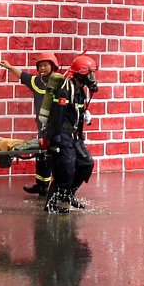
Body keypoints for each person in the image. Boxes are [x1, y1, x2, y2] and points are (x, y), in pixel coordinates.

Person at [0, 50, 65, 198]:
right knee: (41, 155)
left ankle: (56, 189)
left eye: (46, 65)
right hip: (42, 127)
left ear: (53, 66)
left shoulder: (61, 84)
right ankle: (41, 186)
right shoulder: (37, 82)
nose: (43, 68)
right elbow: (23, 75)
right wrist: (9, 67)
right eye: (40, 66)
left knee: (54, 157)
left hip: (57, 128)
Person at [43, 54, 97, 213]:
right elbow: (57, 116)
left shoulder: (80, 91)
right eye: (89, 73)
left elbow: (76, 112)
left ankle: (67, 194)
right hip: (62, 134)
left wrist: (84, 115)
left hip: (74, 135)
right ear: (80, 73)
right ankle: (50, 204)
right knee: (65, 167)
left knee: (86, 163)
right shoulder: (65, 91)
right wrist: (54, 140)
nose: (92, 77)